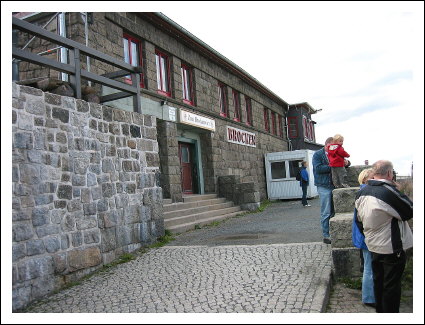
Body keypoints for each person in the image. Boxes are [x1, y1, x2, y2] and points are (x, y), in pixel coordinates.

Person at [354, 160, 413, 313]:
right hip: (392, 247)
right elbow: (409, 211)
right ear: (389, 173)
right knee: (391, 286)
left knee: (378, 282)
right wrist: (398, 190)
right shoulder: (387, 191)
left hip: (373, 245)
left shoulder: (362, 192)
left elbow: (358, 220)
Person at [352, 168, 375, 308]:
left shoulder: (364, 192)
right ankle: (369, 298)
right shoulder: (366, 193)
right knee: (369, 267)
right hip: (366, 236)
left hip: (364, 236)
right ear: (366, 179)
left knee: (369, 266)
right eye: (373, 176)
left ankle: (370, 295)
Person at [312, 137, 335, 244]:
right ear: (327, 145)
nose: (334, 148)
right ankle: (326, 235)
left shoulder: (335, 153)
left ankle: (334, 233)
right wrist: (333, 165)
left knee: (334, 211)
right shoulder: (317, 154)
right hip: (323, 185)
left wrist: (347, 163)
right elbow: (318, 169)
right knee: (326, 212)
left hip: (334, 185)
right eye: (332, 146)